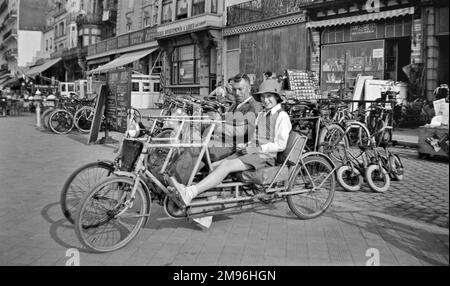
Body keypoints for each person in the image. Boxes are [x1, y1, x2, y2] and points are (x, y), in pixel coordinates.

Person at [168, 79, 292, 229]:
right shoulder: (262, 114)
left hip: (264, 156)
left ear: (277, 96)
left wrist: (255, 149)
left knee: (226, 165)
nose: (266, 100)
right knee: (214, 166)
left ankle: (190, 193)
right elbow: (254, 137)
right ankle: (208, 212)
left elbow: (280, 145)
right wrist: (245, 145)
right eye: (264, 97)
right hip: (250, 150)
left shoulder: (282, 116)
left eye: (269, 96)